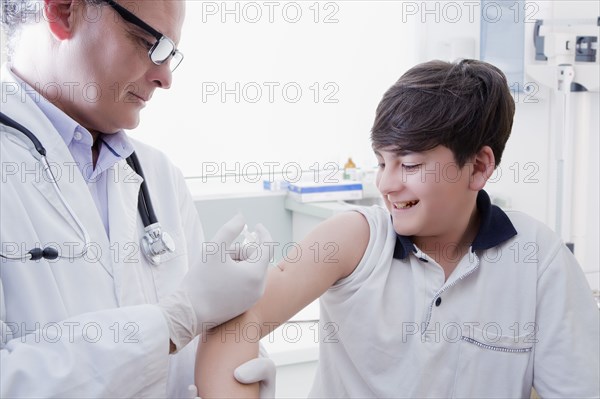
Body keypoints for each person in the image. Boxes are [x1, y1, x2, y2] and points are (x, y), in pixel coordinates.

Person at [195, 59, 600, 398]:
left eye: (409, 165)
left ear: (478, 167)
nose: (387, 184)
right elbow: (236, 321)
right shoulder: (354, 240)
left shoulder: (539, 261)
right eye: (382, 161)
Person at [0, 0, 273, 396]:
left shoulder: (159, 177)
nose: (165, 78)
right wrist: (173, 321)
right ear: (63, 12)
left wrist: (240, 367)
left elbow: (197, 351)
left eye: (171, 54)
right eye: (149, 42)